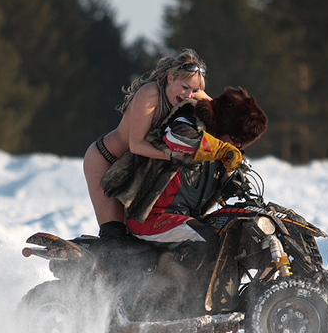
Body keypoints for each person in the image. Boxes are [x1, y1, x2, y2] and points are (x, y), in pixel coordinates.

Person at [101, 86, 268, 245]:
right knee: (207, 239)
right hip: (151, 217)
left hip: (187, 219)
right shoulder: (189, 119)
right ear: (225, 125)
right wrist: (221, 150)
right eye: (236, 139)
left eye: (242, 144)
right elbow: (175, 138)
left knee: (230, 237)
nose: (236, 146)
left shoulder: (222, 154)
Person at [84, 49, 211, 242]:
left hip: (135, 170)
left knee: (136, 239)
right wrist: (175, 156)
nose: (188, 95)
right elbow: (136, 145)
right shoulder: (150, 93)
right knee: (115, 237)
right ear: (170, 78)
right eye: (185, 87)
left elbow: (224, 114)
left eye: (194, 91)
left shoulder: (189, 93)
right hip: (104, 160)